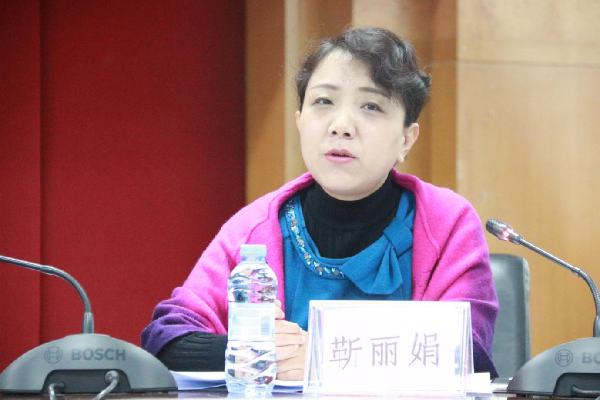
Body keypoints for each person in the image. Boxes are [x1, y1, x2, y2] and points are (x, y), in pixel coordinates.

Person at [141, 27, 499, 380]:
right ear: (300, 122)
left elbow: (470, 354)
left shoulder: (447, 223)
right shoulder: (255, 227)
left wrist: (322, 358)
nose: (341, 126)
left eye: (371, 106)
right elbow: (166, 338)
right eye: (323, 102)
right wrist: (255, 352)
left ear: (406, 139)